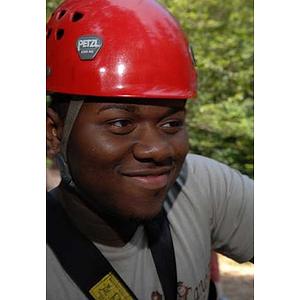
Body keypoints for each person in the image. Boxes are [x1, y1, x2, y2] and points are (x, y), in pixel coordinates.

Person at [46, 0, 254, 299]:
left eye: (171, 124)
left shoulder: (199, 185)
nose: (158, 150)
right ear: (54, 134)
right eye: (120, 123)